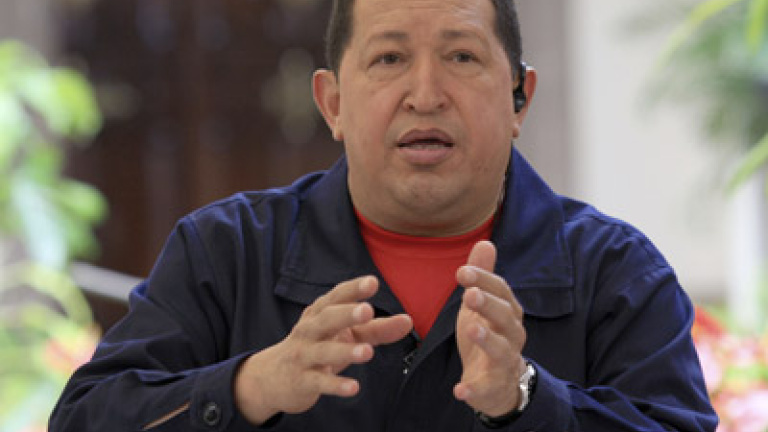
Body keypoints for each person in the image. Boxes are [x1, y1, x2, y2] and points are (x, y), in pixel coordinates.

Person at [50, 0, 718, 430]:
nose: (425, 95)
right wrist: (252, 384)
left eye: (462, 56)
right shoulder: (225, 252)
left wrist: (525, 399)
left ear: (520, 98)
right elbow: (85, 419)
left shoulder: (616, 272)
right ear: (332, 103)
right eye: (389, 58)